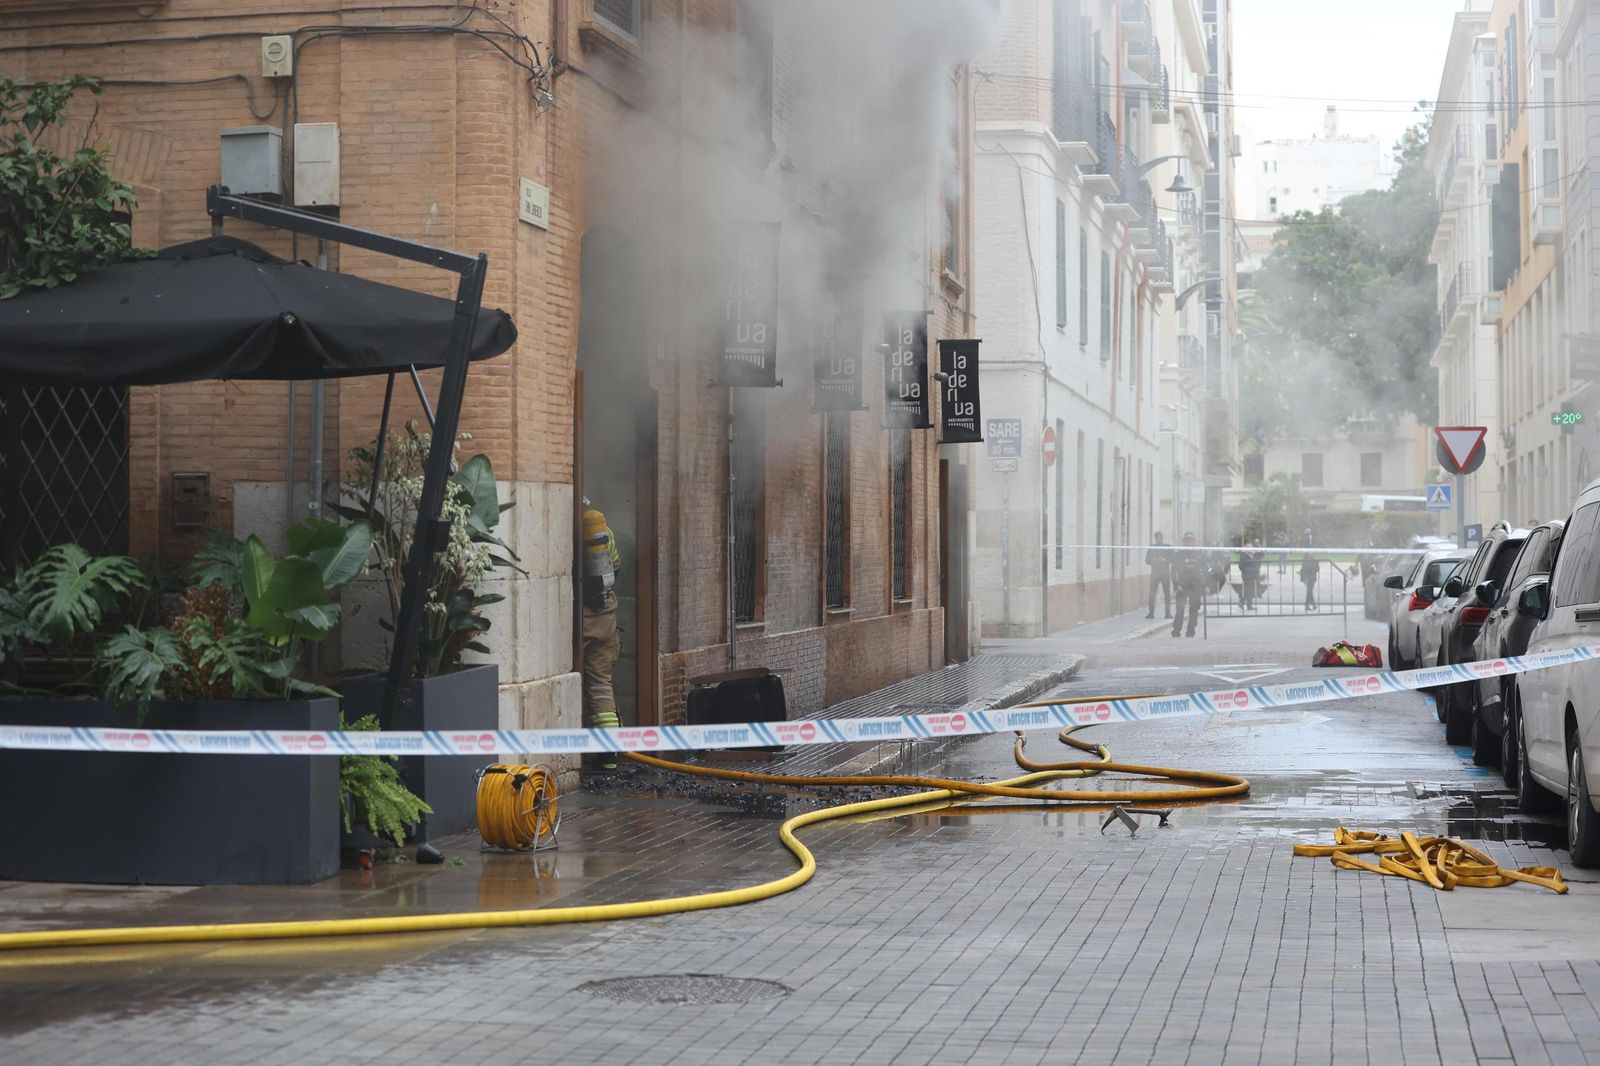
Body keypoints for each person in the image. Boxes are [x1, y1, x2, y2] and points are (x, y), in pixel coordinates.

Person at [581, 498, 623, 770]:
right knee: (600, 683)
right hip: (604, 616)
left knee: (588, 680)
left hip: (581, 618)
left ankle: (598, 754)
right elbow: (615, 568)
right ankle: (609, 755)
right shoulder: (603, 529)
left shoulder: (575, 525)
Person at [1170, 532, 1204, 637]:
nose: (1189, 542)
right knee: (1180, 610)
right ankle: (1176, 630)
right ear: (1184, 542)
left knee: (1194, 609)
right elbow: (1173, 571)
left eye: (1191, 540)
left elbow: (1205, 570)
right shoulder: (1178, 555)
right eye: (1187, 540)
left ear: (1194, 542)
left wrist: (1204, 584)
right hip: (1182, 585)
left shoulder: (1199, 554)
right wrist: (1176, 584)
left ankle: (1190, 630)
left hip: (1195, 585)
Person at [1145, 532, 1171, 619]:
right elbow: (1147, 560)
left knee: (1167, 593)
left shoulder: (1168, 547)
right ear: (1155, 539)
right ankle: (1151, 612)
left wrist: (1165, 559)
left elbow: (1172, 559)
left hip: (1165, 573)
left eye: (1160, 537)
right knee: (1152, 593)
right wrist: (1154, 560)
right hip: (1155, 573)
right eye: (1157, 538)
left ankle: (1168, 612)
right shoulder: (1152, 548)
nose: (1159, 539)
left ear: (1162, 538)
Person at [1239, 537, 1264, 611]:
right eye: (1250, 548)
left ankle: (1246, 603)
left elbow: (1262, 555)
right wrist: (1250, 570)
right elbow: (1241, 566)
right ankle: (1244, 602)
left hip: (1253, 574)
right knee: (1249, 590)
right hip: (1247, 575)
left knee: (1250, 590)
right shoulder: (1244, 555)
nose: (1252, 549)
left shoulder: (1253, 555)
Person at [1299, 529, 1320, 612]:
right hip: (1308, 577)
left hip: (1311, 577)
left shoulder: (1313, 560)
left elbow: (1316, 569)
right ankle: (1308, 605)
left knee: (1309, 591)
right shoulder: (1307, 559)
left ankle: (1312, 605)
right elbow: (1304, 568)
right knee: (1309, 591)